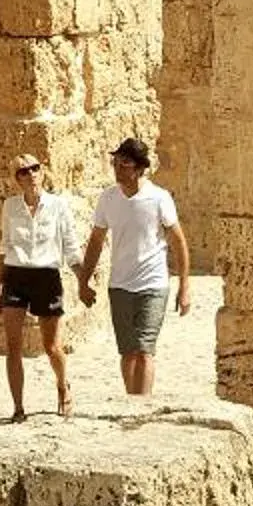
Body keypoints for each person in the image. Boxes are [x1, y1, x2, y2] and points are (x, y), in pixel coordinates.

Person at [78, 137, 189, 397]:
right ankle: (131, 402)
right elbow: (96, 240)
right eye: (115, 163)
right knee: (128, 352)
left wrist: (184, 287)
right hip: (119, 285)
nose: (118, 169)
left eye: (124, 164)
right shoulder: (108, 199)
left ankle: (143, 405)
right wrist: (83, 281)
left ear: (140, 168)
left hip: (154, 284)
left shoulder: (159, 198)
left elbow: (178, 241)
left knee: (144, 350)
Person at [0, 153, 75, 420]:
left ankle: (63, 386)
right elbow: (5, 247)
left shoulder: (57, 205)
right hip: (16, 276)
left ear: (42, 172)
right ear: (16, 179)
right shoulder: (10, 206)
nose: (31, 174)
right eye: (23, 171)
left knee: (51, 346)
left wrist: (83, 278)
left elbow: (71, 244)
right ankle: (18, 407)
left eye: (35, 168)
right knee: (13, 346)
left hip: (46, 276)